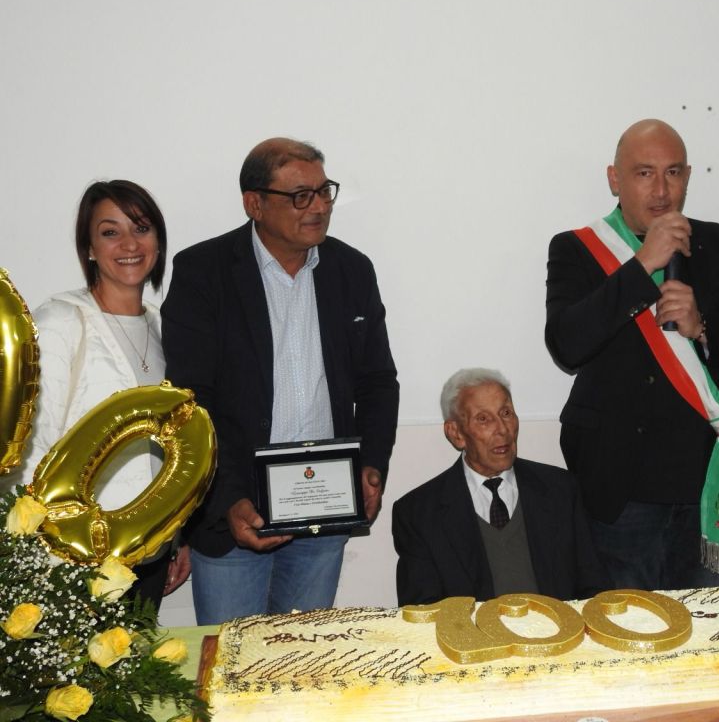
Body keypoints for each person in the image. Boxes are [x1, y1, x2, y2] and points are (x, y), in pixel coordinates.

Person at [162, 137, 399, 625]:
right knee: (232, 660)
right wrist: (226, 499)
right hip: (236, 515)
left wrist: (371, 465)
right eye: (300, 196)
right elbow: (190, 403)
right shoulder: (204, 271)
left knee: (303, 657)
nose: (319, 207)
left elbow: (378, 381)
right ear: (254, 204)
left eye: (324, 192)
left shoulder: (351, 270)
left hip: (324, 509)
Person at [545, 119, 719, 590]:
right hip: (621, 489)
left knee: (709, 625)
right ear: (614, 179)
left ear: (688, 177)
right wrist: (642, 266)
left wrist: (704, 328)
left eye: (673, 172)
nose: (661, 190)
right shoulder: (576, 248)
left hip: (708, 482)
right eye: (644, 173)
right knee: (626, 626)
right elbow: (567, 345)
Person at [16, 180, 189, 610]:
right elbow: (31, 446)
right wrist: (37, 555)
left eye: (142, 228)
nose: (129, 244)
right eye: (110, 232)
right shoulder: (60, 322)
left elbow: (170, 448)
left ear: (158, 241)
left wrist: (177, 535)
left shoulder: (165, 328)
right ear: (90, 248)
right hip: (75, 557)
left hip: (149, 553)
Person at [392, 368, 608, 606]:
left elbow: (594, 589)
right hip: (472, 631)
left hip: (557, 628)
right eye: (483, 419)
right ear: (456, 433)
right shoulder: (419, 514)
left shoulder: (560, 490)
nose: (503, 429)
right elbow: (423, 613)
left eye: (506, 413)